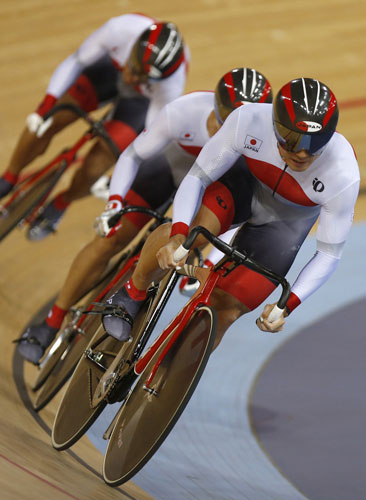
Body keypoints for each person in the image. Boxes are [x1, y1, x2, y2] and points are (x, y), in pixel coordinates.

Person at [17, 67, 273, 364]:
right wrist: (114, 203)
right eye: (224, 119)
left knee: (184, 246)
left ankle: (137, 294)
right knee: (111, 239)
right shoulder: (186, 111)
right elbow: (132, 155)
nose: (229, 129)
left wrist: (208, 256)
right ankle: (52, 320)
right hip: (168, 171)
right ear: (215, 105)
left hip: (212, 191)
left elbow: (242, 213)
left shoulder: (262, 145)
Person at [91, 77, 359, 349]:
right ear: (275, 126)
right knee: (193, 234)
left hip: (285, 224)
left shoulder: (343, 173)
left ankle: (164, 384)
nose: (302, 153)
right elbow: (198, 177)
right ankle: (131, 293)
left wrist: (288, 304)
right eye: (291, 141)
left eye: (315, 144)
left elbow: (328, 254)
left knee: (226, 310)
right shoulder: (248, 120)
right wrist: (178, 233)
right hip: (242, 186)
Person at [0, 13, 189, 240]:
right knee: (51, 118)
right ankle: (10, 177)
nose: (133, 79)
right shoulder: (121, 30)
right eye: (135, 69)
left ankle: (63, 201)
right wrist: (47, 105)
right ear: (133, 50)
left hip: (141, 101)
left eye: (142, 78)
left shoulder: (171, 85)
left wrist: (118, 174)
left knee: (98, 163)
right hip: (110, 70)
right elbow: (76, 61)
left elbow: (151, 134)